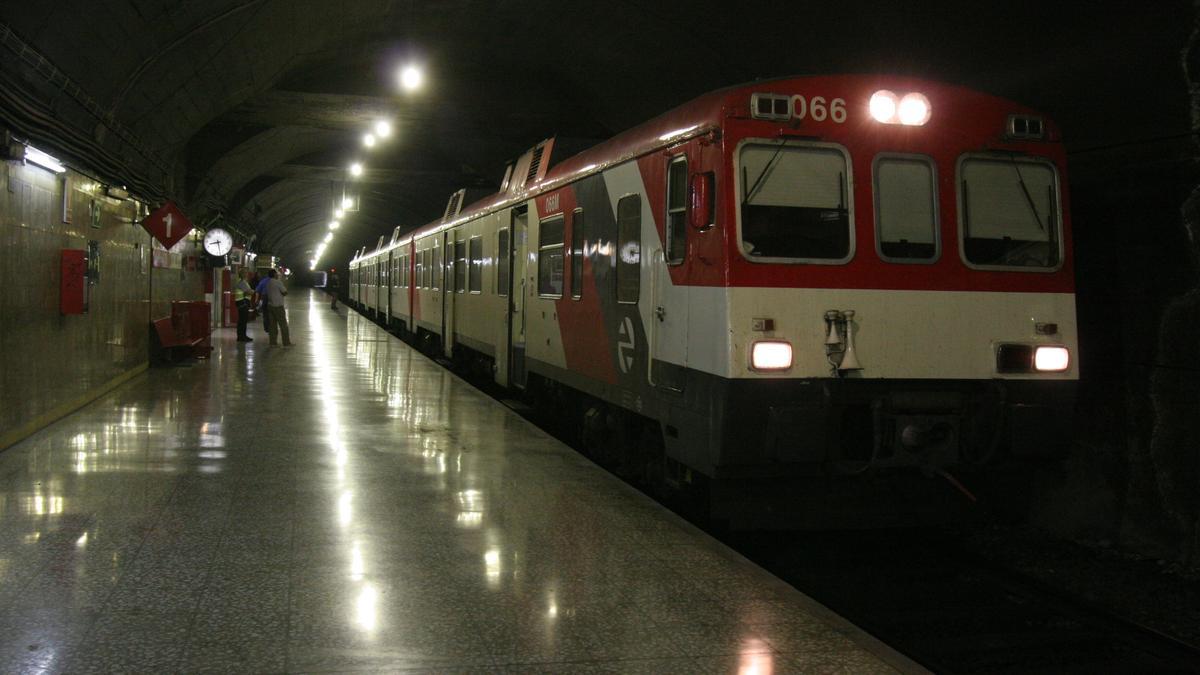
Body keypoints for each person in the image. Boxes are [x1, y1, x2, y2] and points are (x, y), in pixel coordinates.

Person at [265, 269, 292, 347]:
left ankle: (273, 343)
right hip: (278, 306)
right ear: (274, 274)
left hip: (270, 306)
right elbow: (285, 292)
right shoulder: (278, 282)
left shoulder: (268, 282)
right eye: (277, 273)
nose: (278, 274)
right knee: (283, 325)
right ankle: (286, 342)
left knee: (272, 325)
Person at [233, 268, 254, 342]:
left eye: (246, 272)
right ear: (241, 274)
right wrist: (252, 291)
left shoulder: (243, 282)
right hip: (242, 303)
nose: (246, 274)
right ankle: (241, 337)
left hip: (243, 302)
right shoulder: (242, 282)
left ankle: (243, 336)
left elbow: (247, 292)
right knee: (242, 321)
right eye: (245, 273)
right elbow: (249, 292)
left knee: (243, 320)